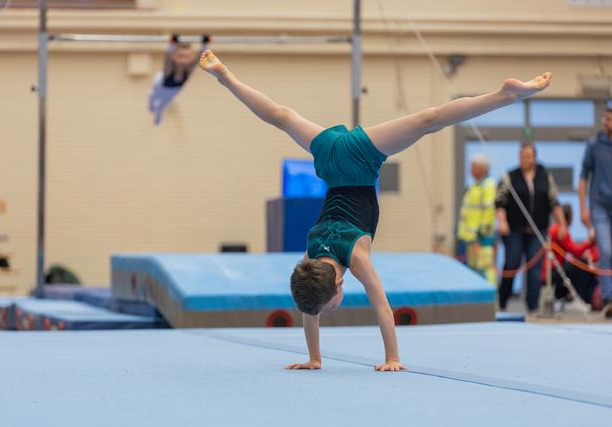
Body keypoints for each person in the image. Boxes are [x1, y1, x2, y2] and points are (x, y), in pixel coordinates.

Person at [198, 49, 552, 371]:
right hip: (332, 159)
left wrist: (392, 358)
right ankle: (226, 76)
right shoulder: (310, 260)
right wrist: (314, 358)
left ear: (339, 282)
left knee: (429, 119)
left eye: (327, 306)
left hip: (360, 160)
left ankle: (505, 96)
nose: (322, 313)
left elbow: (382, 306)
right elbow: (309, 309)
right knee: (281, 116)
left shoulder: (356, 259)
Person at [496, 142, 566, 312]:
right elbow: (500, 202)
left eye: (528, 156)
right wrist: (502, 222)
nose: (525, 159)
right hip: (514, 230)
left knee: (534, 269)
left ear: (535, 157)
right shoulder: (510, 176)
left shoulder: (544, 176)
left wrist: (562, 224)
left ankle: (533, 306)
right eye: (522, 156)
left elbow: (555, 202)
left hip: (538, 230)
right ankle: (503, 300)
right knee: (512, 263)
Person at [579, 106, 612, 318]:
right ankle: (609, 299)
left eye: (610, 118)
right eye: (605, 117)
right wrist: (583, 208)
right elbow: (583, 179)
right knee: (606, 251)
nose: (606, 121)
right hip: (599, 206)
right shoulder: (594, 144)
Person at [148, 34, 210, 125]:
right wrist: (172, 45)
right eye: (180, 56)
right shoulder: (170, 67)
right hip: (160, 84)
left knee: (163, 104)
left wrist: (204, 45)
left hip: (174, 90)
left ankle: (158, 113)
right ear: (174, 56)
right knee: (152, 96)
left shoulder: (189, 68)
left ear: (190, 58)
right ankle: (151, 108)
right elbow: (167, 59)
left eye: (186, 57)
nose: (182, 60)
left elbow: (198, 59)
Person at [542, 204, 598, 306]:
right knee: (581, 264)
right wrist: (589, 242)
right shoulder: (560, 230)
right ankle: (580, 298)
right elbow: (575, 251)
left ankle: (573, 297)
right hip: (553, 271)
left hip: (552, 270)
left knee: (578, 264)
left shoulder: (555, 228)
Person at [457, 153, 497, 285]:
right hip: (471, 238)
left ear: (482, 168)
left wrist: (481, 232)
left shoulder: (488, 185)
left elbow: (489, 210)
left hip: (482, 238)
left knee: (485, 268)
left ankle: (490, 298)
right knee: (473, 270)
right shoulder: (474, 185)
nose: (470, 169)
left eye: (473, 166)